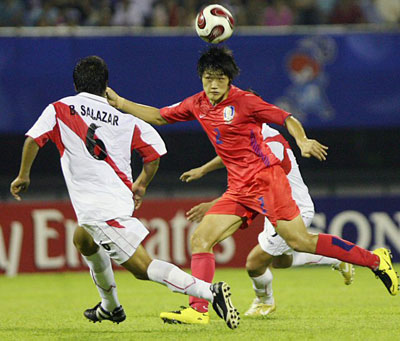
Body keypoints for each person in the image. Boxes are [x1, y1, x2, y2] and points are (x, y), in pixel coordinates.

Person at [106, 46, 398, 324]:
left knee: (300, 242)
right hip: (239, 188)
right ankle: (199, 310)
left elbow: (287, 117)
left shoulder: (245, 101)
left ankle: (375, 259)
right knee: (201, 239)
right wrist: (120, 103)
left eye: (220, 79)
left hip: (267, 181)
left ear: (229, 79)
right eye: (208, 78)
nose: (214, 85)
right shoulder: (197, 103)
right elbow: (159, 116)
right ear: (201, 79)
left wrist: (303, 140)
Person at [9, 55, 240, 330]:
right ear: (106, 85)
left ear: (75, 84)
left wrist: (24, 175)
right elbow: (154, 151)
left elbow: (33, 140)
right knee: (83, 240)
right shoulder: (123, 119)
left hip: (100, 210)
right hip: (116, 201)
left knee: (143, 269)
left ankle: (208, 292)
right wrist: (141, 183)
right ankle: (110, 307)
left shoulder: (60, 108)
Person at [179, 122, 355, 317]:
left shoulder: (271, 145)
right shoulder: (252, 137)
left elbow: (248, 185)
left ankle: (265, 302)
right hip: (274, 207)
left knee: (254, 263)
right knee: (281, 262)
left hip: (292, 209)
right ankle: (333, 257)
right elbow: (231, 155)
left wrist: (213, 205)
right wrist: (203, 169)